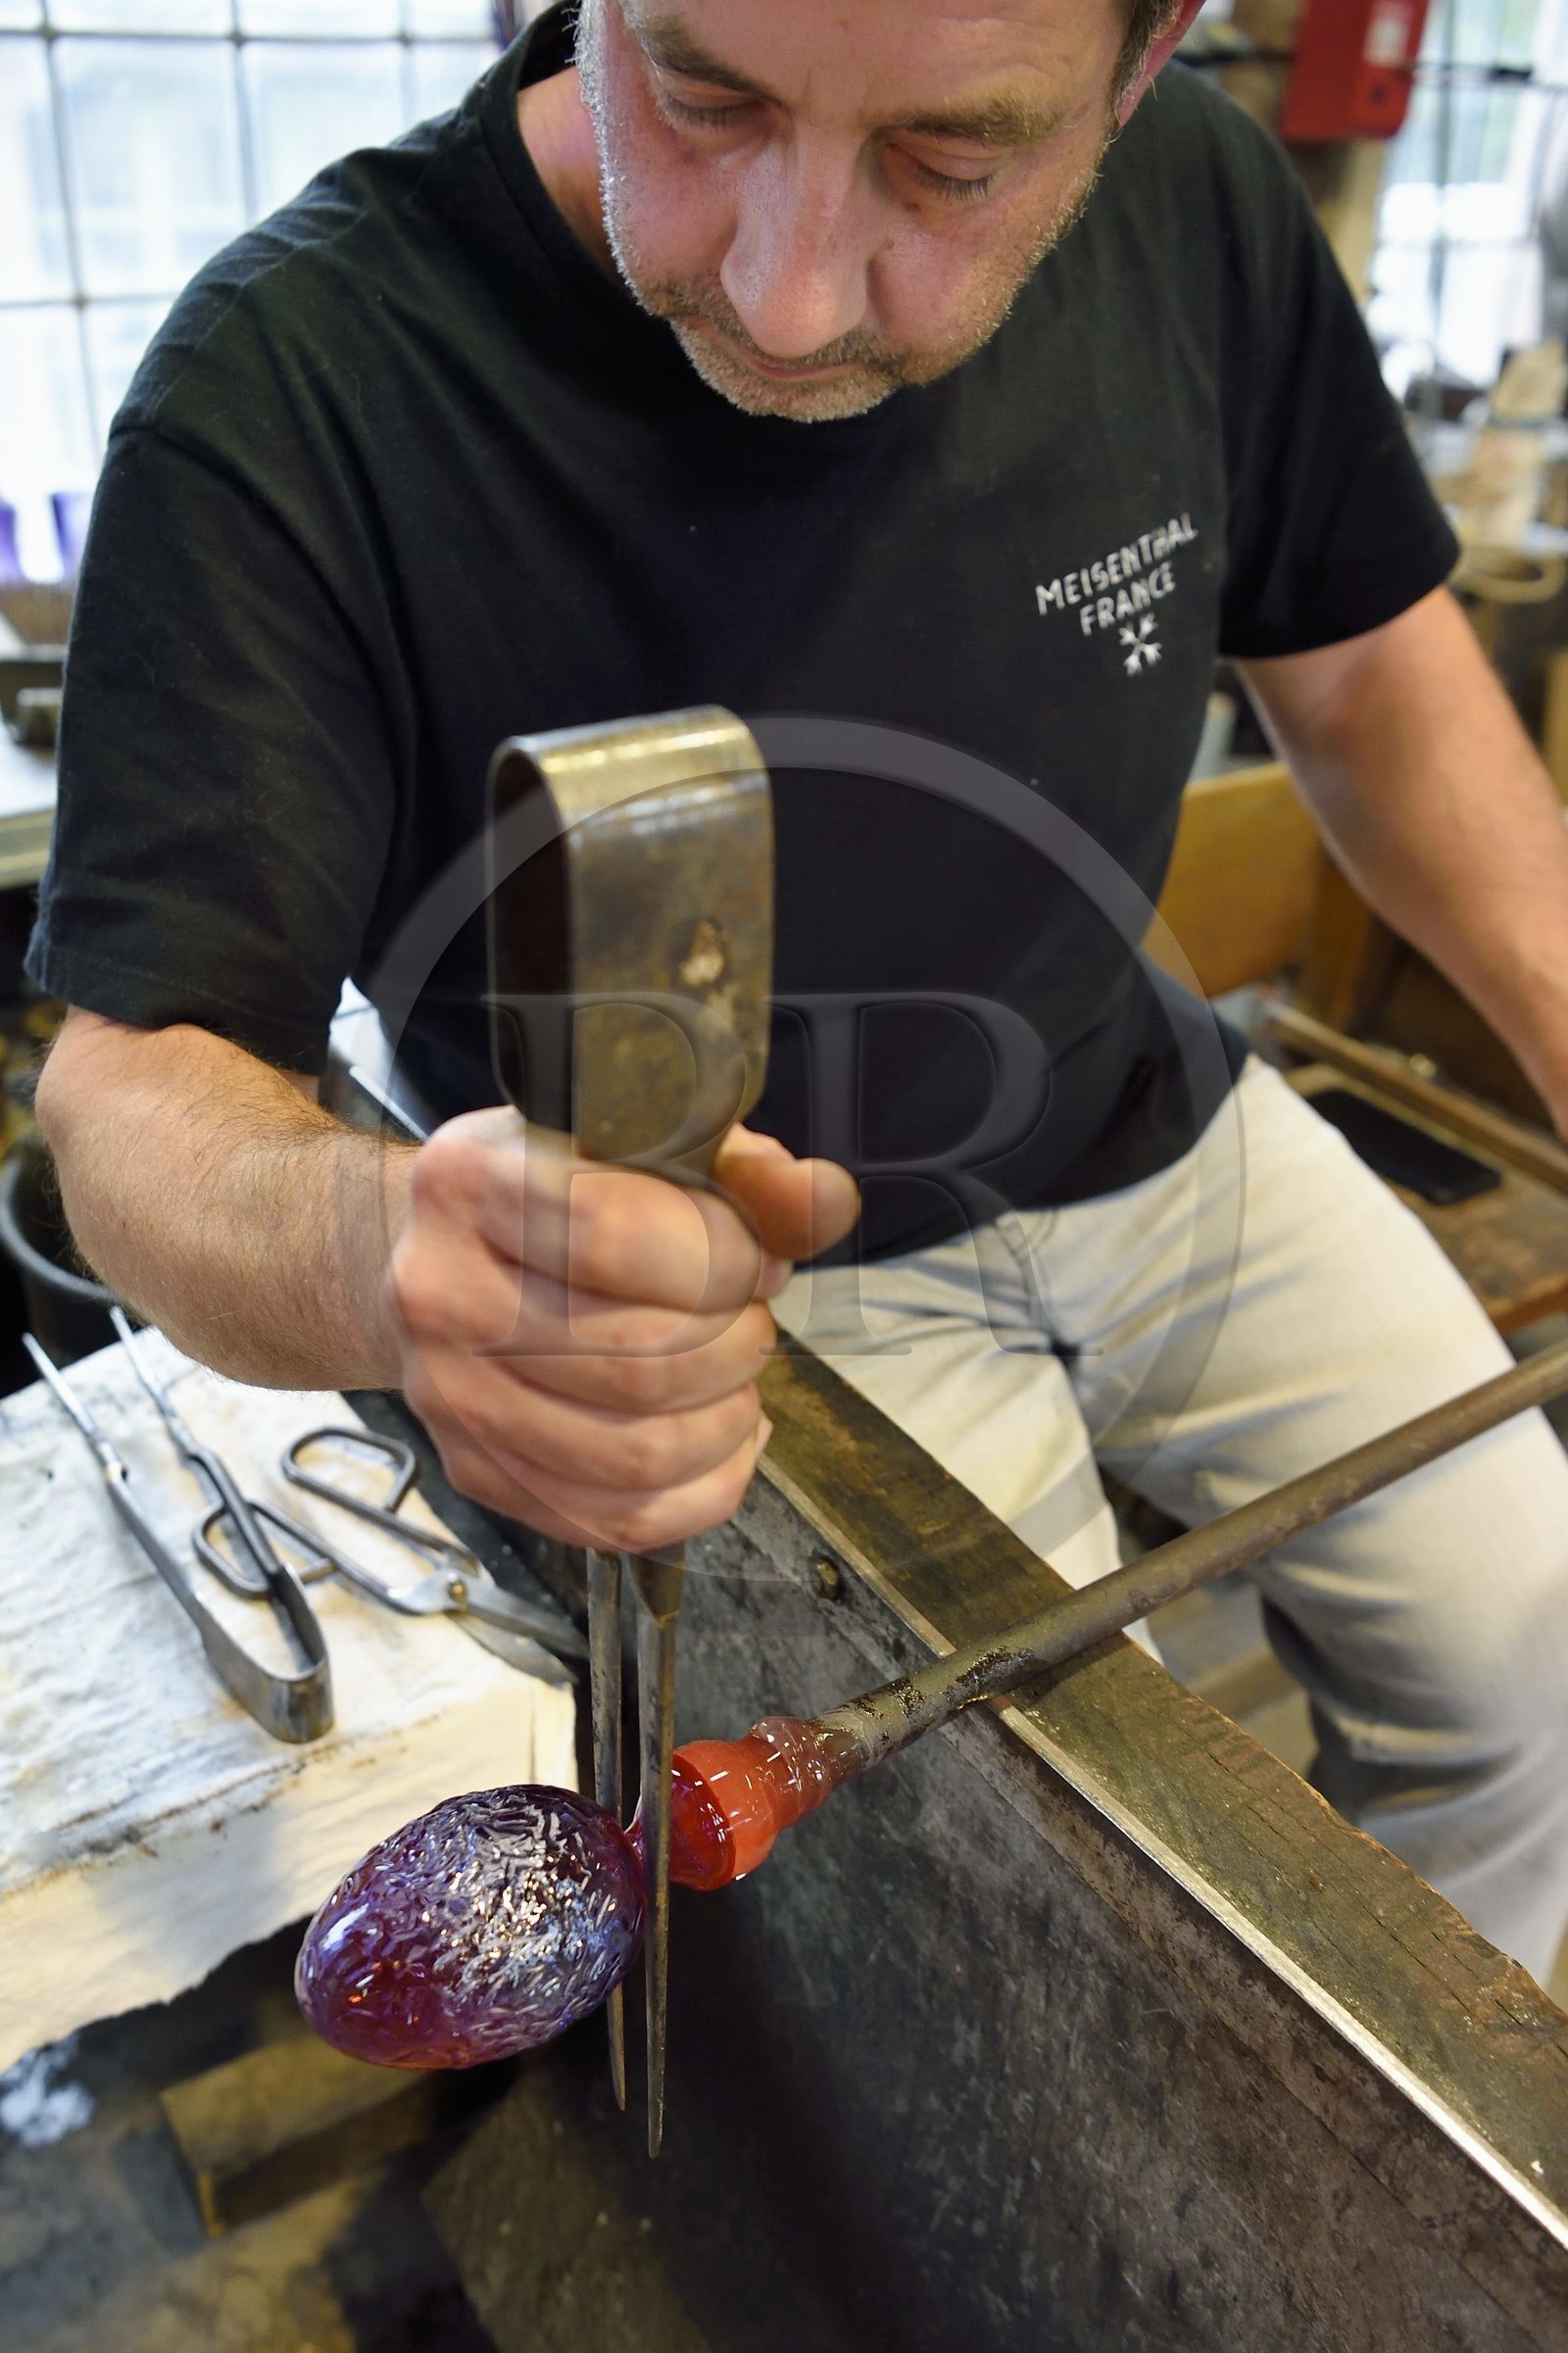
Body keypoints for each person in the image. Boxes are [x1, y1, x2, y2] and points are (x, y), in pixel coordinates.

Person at [26, 0, 1568, 1985]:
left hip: (1164, 1122)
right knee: (1050, 1913)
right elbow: (133, 1084)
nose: (784, 290)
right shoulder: (297, 379)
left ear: (1143, 57)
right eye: (703, 98)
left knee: (1531, 1669)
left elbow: (1364, 679)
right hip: (745, 1300)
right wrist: (385, 1259)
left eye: (949, 162)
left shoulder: (1197, 196)